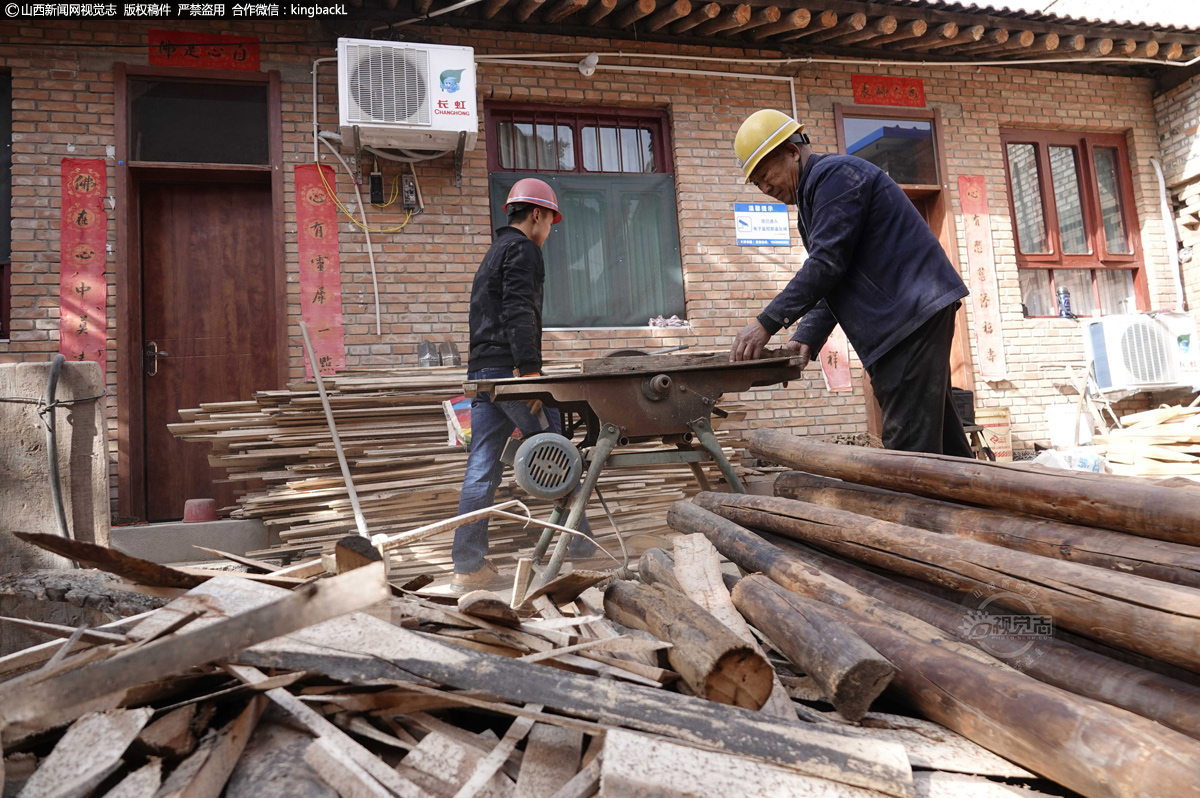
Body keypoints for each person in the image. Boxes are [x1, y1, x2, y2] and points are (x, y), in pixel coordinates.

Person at [729, 109, 973, 457]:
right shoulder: (814, 198)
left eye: (767, 174)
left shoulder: (835, 176)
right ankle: (978, 502)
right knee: (940, 440)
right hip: (909, 316)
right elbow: (835, 274)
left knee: (908, 450)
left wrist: (766, 322)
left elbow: (827, 264)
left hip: (908, 317)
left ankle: (909, 510)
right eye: (757, 183)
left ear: (793, 151)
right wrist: (806, 336)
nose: (766, 188)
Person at [451, 178, 594, 591]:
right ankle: (582, 553)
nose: (549, 232)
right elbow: (519, 310)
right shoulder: (523, 249)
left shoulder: (494, 251)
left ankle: (468, 566)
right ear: (537, 215)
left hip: (483, 375)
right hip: (512, 375)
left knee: (481, 471)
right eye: (550, 222)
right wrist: (531, 376)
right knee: (559, 454)